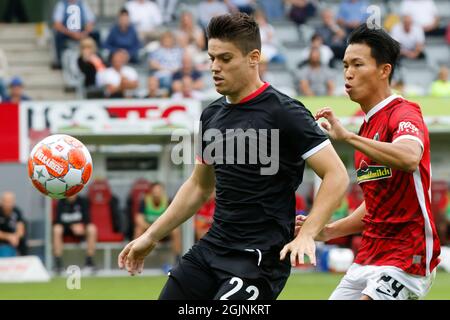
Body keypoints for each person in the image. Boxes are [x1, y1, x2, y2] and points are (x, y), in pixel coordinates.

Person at [119, 12, 349, 300]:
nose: (215, 67)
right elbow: (199, 186)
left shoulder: (285, 112)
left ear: (253, 57)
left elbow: (336, 175)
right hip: (211, 249)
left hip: (259, 259)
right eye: (211, 58)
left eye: (225, 59)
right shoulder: (211, 115)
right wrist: (150, 236)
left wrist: (307, 233)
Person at [306, 23, 441, 300]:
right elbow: (377, 206)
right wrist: (327, 230)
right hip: (369, 255)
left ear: (384, 70)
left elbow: (409, 157)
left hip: (408, 256)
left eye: (358, 64)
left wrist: (348, 137)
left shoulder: (403, 114)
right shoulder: (367, 128)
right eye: (345, 65)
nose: (348, 73)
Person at [134, 182, 181, 264]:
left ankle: (177, 259)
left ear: (163, 192)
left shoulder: (167, 201)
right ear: (151, 192)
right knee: (138, 230)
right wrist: (151, 230)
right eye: (155, 191)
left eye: (159, 191)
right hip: (147, 230)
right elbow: (139, 219)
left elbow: (172, 219)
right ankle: (135, 256)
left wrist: (160, 229)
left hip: (163, 231)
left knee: (176, 231)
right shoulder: (145, 201)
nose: (157, 194)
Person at [53, 194, 97, 273]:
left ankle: (89, 262)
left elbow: (87, 218)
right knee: (57, 229)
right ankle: (58, 263)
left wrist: (82, 225)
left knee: (92, 228)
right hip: (66, 230)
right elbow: (58, 221)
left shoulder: (82, 201)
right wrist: (71, 226)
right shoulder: (61, 202)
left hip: (81, 229)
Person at [51, 0, 99, 69]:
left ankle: (98, 56)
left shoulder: (82, 3)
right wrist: (72, 34)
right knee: (58, 36)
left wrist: (84, 33)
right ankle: (59, 61)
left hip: (82, 32)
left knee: (96, 34)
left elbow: (91, 21)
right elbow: (57, 24)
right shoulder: (61, 4)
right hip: (67, 33)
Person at [0, 192, 26, 257]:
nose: (8, 204)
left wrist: (15, 237)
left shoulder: (17, 212)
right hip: (2, 242)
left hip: (15, 242)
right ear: (2, 201)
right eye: (6, 201)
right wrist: (9, 237)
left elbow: (21, 230)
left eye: (10, 201)